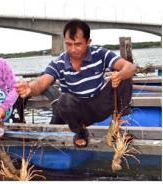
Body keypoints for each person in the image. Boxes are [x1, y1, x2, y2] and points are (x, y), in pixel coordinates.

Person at [15, 19, 136, 148]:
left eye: (78, 44)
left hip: (102, 105)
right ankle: (80, 132)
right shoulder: (59, 62)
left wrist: (121, 74)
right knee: (63, 99)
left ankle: (118, 126)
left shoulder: (100, 54)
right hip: (80, 113)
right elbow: (41, 82)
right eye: (69, 44)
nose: (73, 49)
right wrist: (29, 88)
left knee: (126, 77)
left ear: (88, 42)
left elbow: (130, 67)